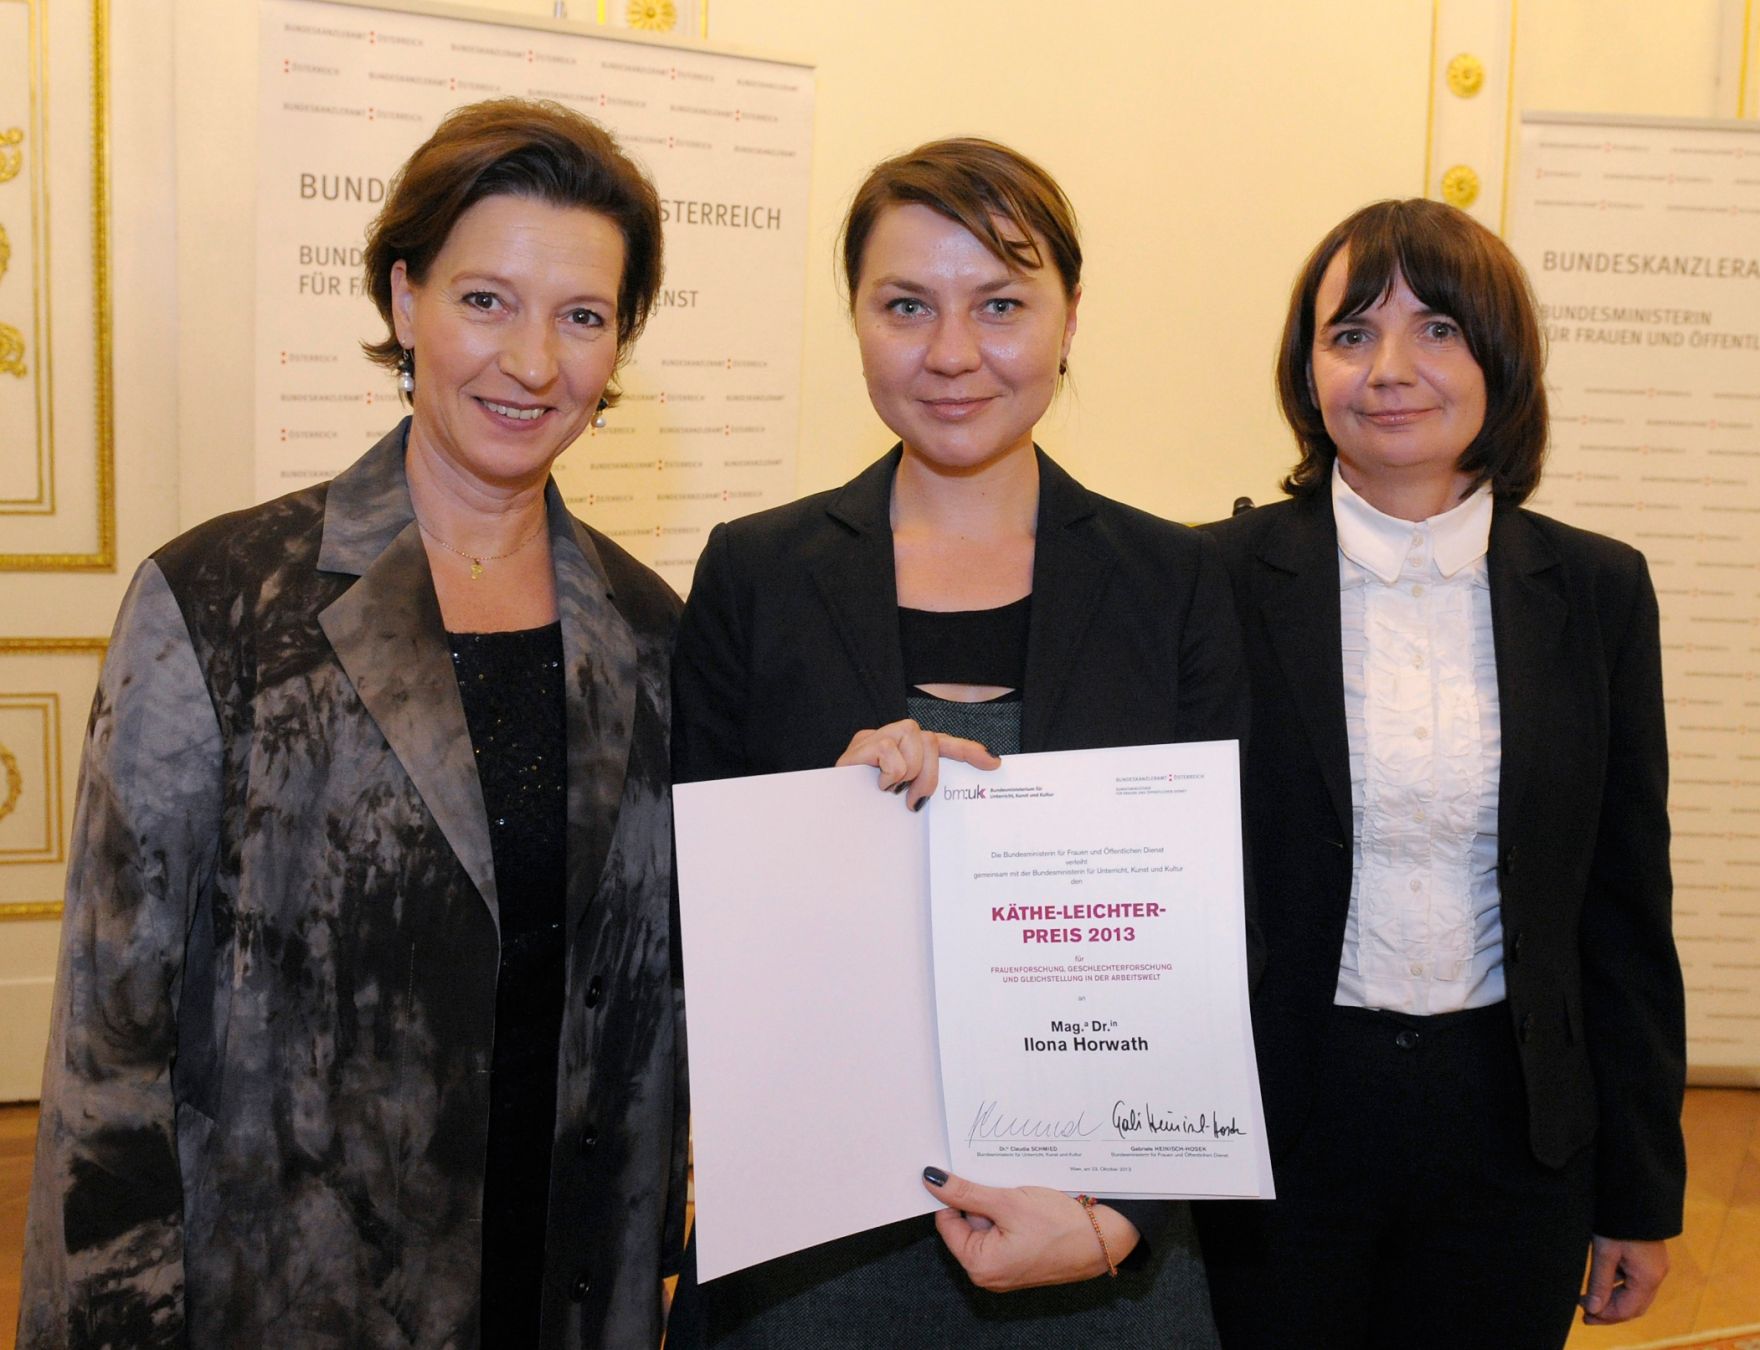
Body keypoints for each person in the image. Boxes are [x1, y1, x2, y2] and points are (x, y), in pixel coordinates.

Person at [19, 99, 685, 1348]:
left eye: (582, 317)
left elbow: (664, 1012)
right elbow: (111, 1059)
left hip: (557, 1293)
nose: (533, 362)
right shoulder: (220, 605)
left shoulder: (649, 634)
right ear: (402, 301)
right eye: (485, 300)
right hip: (291, 1301)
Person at [667, 137, 1246, 1347]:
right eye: (904, 306)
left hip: (1093, 1239)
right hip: (810, 1254)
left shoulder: (1172, 580)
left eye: (999, 305)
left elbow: (1226, 928)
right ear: (855, 321)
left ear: (1069, 318)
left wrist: (1121, 1215)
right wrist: (813, 838)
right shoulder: (755, 575)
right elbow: (688, 923)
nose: (948, 353)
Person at [1196, 198, 1686, 1349]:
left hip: (1512, 1130)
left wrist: (1639, 1193)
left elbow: (1621, 911)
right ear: (1305, 367)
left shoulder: (1597, 590)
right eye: (1350, 333)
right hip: (1278, 1120)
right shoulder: (1209, 580)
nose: (1389, 370)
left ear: (1498, 358)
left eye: (1437, 331)